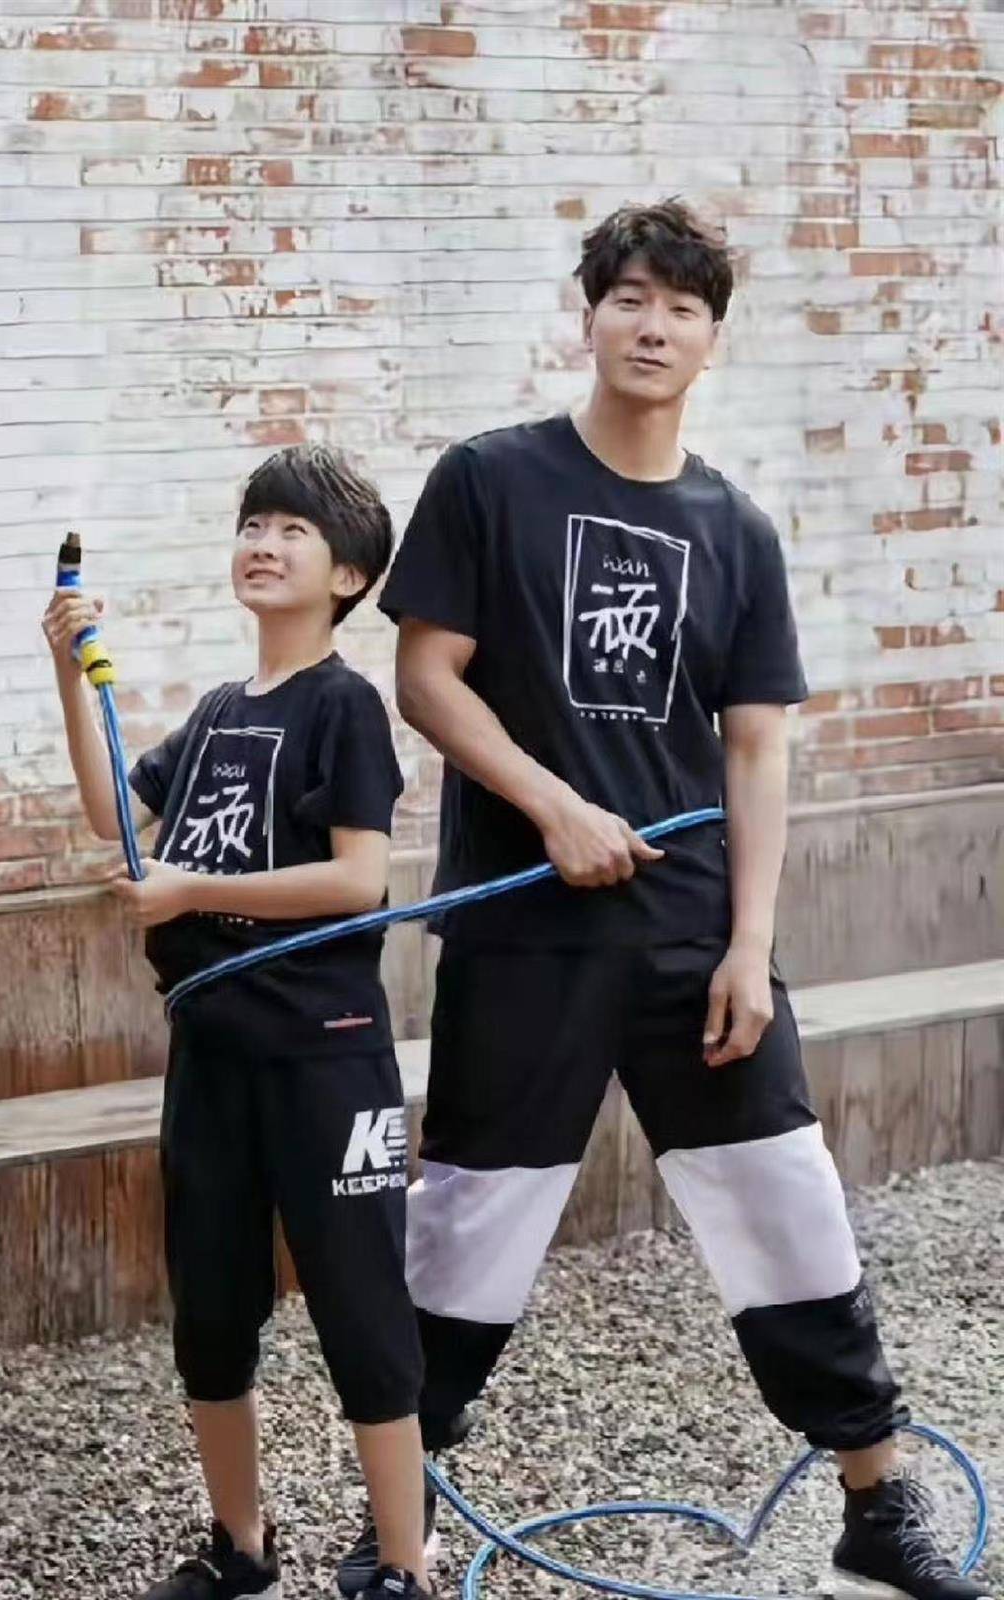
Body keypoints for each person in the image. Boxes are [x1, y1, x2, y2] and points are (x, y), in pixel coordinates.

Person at [336, 201, 988, 1600]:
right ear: (590, 316)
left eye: (682, 308)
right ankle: (397, 1530)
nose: (652, 326)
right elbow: (428, 678)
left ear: (711, 339)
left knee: (784, 1198)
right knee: (469, 1222)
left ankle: (877, 1504)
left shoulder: (735, 528)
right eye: (628, 298)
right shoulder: (491, 479)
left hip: (693, 934)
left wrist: (752, 944)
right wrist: (555, 806)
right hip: (525, 929)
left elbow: (756, 748)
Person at [44, 445, 433, 1600]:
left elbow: (360, 879)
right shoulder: (219, 712)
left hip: (326, 1059)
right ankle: (241, 1547)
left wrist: (190, 890)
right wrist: (67, 668)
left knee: (363, 1311)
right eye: (253, 525)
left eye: (293, 531)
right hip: (209, 1054)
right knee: (211, 1313)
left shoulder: (345, 706)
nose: (263, 544)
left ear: (349, 575)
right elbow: (118, 819)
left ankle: (403, 1565)